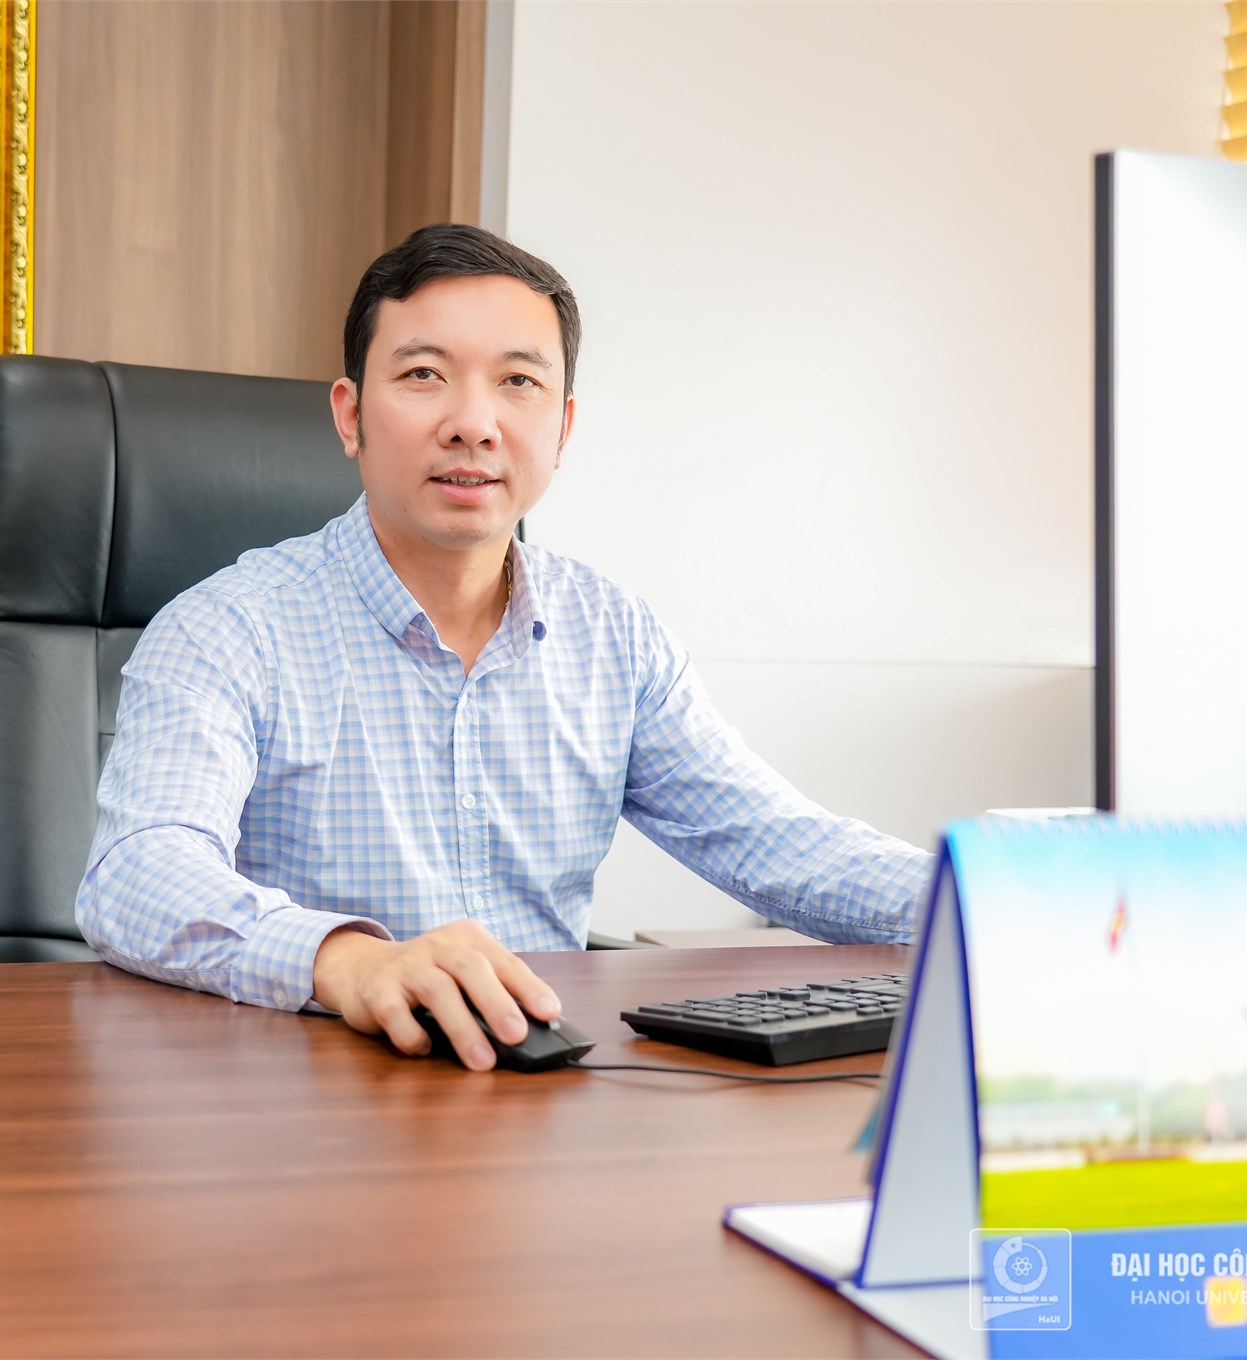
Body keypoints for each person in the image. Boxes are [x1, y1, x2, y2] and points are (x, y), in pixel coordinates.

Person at [76, 224, 934, 1070]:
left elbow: (781, 845)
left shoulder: (614, 637)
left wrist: (986, 902)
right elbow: (138, 873)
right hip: (309, 1096)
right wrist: (350, 961)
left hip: (540, 1093)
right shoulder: (229, 628)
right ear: (351, 415)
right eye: (423, 375)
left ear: (562, 427)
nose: (473, 424)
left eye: (518, 382)